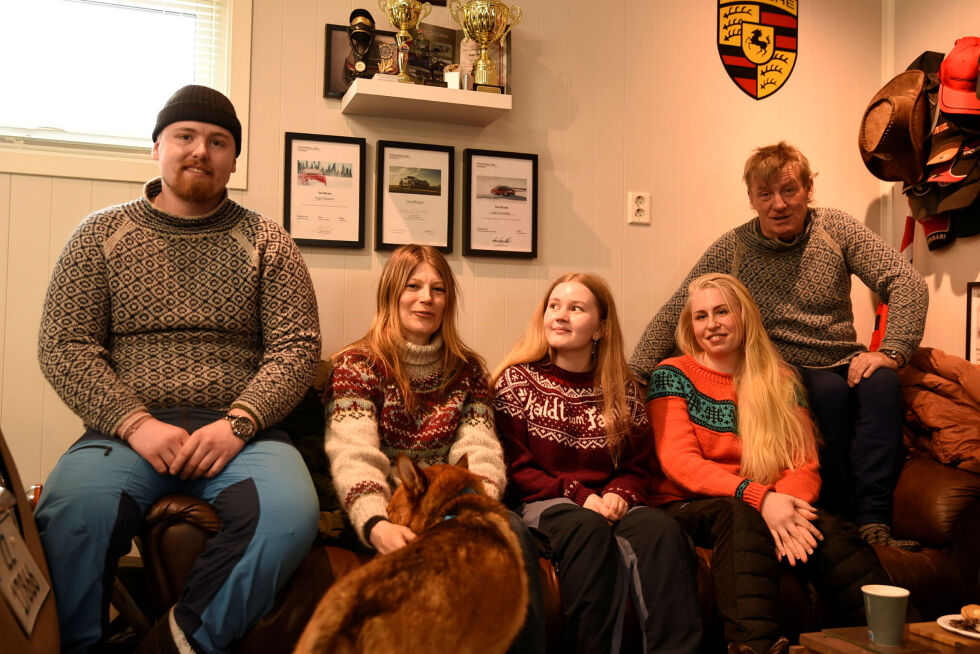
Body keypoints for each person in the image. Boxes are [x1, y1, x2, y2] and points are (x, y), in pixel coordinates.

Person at [34, 85, 322, 653]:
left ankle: (180, 643)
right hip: (126, 433)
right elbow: (63, 344)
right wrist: (135, 422)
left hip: (242, 432)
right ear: (156, 147)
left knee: (290, 515)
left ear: (233, 160)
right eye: (185, 136)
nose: (200, 151)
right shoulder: (98, 235)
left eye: (218, 142)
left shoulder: (270, 241)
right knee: (71, 514)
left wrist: (239, 421)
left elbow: (296, 347)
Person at [629, 142, 928, 549]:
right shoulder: (732, 247)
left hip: (841, 357)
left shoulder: (835, 228)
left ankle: (874, 522)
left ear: (808, 188)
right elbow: (681, 308)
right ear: (751, 199)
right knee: (829, 393)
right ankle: (833, 515)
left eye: (789, 190)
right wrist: (634, 376)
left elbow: (904, 281)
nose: (778, 204)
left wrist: (893, 350)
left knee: (883, 385)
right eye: (765, 194)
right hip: (776, 370)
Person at [647, 273, 890, 654]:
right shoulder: (672, 374)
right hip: (690, 503)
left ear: (744, 316)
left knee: (833, 531)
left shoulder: (781, 378)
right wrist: (760, 499)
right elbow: (680, 462)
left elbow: (803, 463)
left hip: (767, 501)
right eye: (700, 316)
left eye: (722, 312)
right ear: (689, 326)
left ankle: (893, 639)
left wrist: (788, 512)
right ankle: (755, 647)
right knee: (738, 516)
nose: (711, 324)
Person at [323, 244, 545, 653]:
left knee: (510, 530)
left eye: (438, 289)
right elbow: (354, 455)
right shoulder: (357, 364)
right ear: (392, 292)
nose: (426, 298)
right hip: (390, 512)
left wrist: (472, 509)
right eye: (414, 286)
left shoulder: (468, 369)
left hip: (455, 508)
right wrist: (377, 525)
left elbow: (480, 450)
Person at [493, 273, 703, 654]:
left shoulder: (620, 388)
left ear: (600, 328)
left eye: (576, 308)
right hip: (544, 502)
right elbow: (516, 468)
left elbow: (639, 465)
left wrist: (621, 492)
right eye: (554, 307)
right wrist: (579, 495)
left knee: (662, 530)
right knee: (586, 526)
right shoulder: (516, 381)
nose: (560, 316)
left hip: (610, 500)